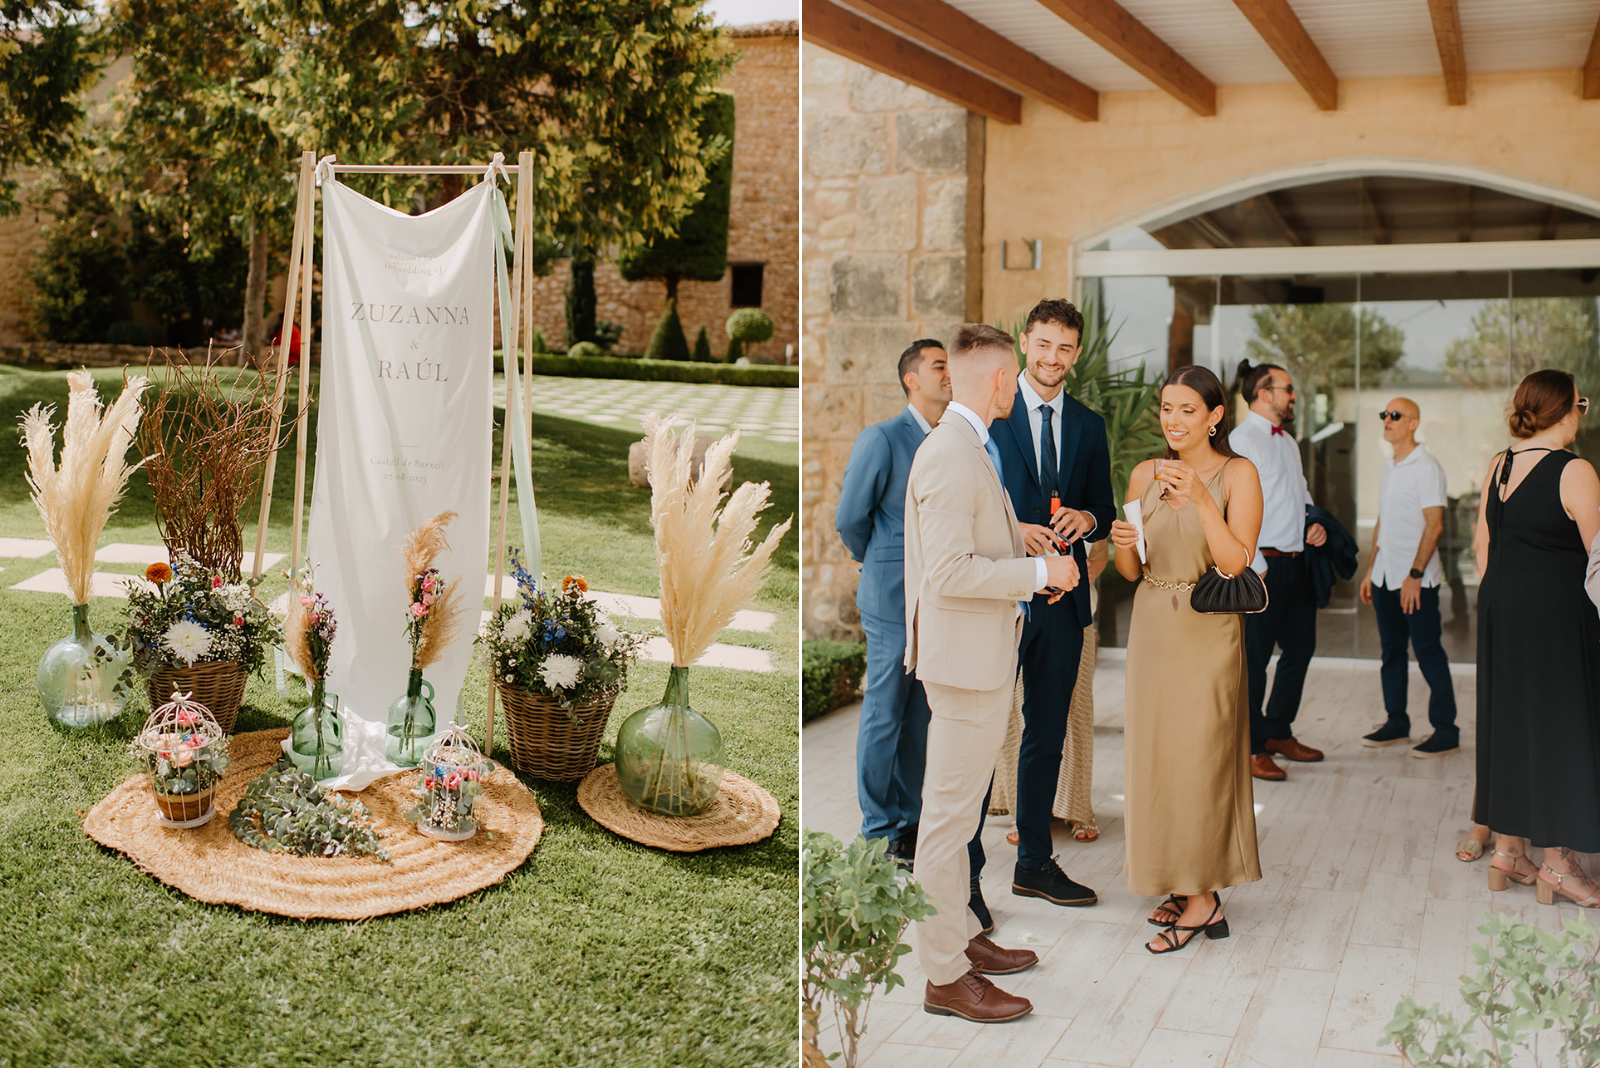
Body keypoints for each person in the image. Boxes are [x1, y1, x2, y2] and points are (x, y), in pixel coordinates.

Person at [904, 323, 1079, 1022]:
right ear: (1002, 380)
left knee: (960, 814)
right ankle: (945, 975)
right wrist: (1040, 569)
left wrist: (1023, 547)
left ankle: (964, 939)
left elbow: (971, 544)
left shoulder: (965, 445)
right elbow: (948, 573)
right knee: (946, 825)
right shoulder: (951, 451)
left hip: (978, 658)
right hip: (965, 665)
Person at [1110, 364, 1264, 954]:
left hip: (1208, 632)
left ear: (1215, 416)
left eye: (1187, 411)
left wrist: (1201, 499)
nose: (1173, 421)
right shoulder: (1144, 472)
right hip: (1152, 624)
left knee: (1202, 759)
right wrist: (1124, 546)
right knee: (1158, 759)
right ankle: (1176, 880)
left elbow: (1235, 564)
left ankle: (1205, 901)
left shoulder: (1238, 473)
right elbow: (1133, 572)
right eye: (1166, 409)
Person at [979, 298, 1112, 911]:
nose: (1052, 357)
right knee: (979, 732)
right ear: (1024, 342)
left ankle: (1033, 863)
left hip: (1063, 603)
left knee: (1045, 733)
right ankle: (965, 872)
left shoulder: (1088, 424)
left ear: (1075, 355)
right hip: (1001, 598)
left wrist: (1086, 518)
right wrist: (1019, 536)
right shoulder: (990, 417)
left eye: (1064, 347)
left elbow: (1103, 508)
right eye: (1043, 344)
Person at [1472, 369, 1600, 906]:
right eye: (1582, 403)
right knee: (1559, 729)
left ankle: (1506, 852)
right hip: (1556, 617)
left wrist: (1503, 602)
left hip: (1503, 608)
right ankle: (1558, 864)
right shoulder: (1574, 470)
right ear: (1565, 409)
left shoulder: (1499, 465)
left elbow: (1484, 548)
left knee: (1509, 724)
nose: (1584, 412)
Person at [834, 339, 950, 865]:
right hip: (889, 597)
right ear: (912, 379)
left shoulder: (951, 440)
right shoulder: (881, 438)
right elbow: (850, 519)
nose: (949, 375)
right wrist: (879, 559)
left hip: (936, 601)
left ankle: (909, 821)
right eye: (939, 366)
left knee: (920, 714)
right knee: (883, 711)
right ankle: (876, 829)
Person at [1229, 361, 1327, 781]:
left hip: (1296, 562)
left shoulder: (1287, 441)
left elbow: (1299, 493)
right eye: (1288, 389)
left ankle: (1279, 731)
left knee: (1300, 649)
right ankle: (1251, 747)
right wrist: (1256, 566)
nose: (1294, 396)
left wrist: (1314, 524)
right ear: (1264, 393)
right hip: (1261, 567)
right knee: (1253, 660)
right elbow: (1232, 507)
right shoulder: (1239, 439)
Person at [1358, 397, 1460, 757]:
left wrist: (1415, 575)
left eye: (1395, 415)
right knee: (1391, 653)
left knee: (1429, 652)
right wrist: (1371, 570)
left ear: (1413, 423)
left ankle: (1446, 729)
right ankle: (1396, 722)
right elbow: (1384, 524)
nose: (1387, 419)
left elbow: (1435, 525)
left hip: (1415, 583)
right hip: (1386, 577)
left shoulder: (1426, 467)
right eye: (1384, 414)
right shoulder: (1390, 466)